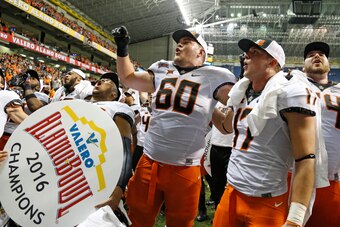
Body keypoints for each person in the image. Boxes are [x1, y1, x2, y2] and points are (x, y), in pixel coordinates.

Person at [111, 26, 236, 226]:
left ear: (200, 52)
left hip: (184, 169)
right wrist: (122, 49)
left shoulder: (216, 76)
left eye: (187, 42)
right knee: (137, 218)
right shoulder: (162, 68)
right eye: (179, 41)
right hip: (149, 162)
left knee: (180, 223)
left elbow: (230, 114)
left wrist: (242, 92)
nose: (180, 44)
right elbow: (128, 78)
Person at [213, 39, 319, 227]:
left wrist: (295, 218)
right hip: (232, 191)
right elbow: (227, 128)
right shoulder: (241, 91)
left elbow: (306, 158)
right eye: (246, 53)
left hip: (267, 201)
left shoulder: (290, 93)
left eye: (254, 53)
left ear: (272, 62)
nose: (246, 56)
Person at [301, 42, 340, 227]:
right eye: (311, 54)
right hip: (293, 175)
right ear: (303, 66)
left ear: (329, 65)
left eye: (322, 54)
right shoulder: (289, 86)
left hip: (334, 177)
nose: (317, 56)